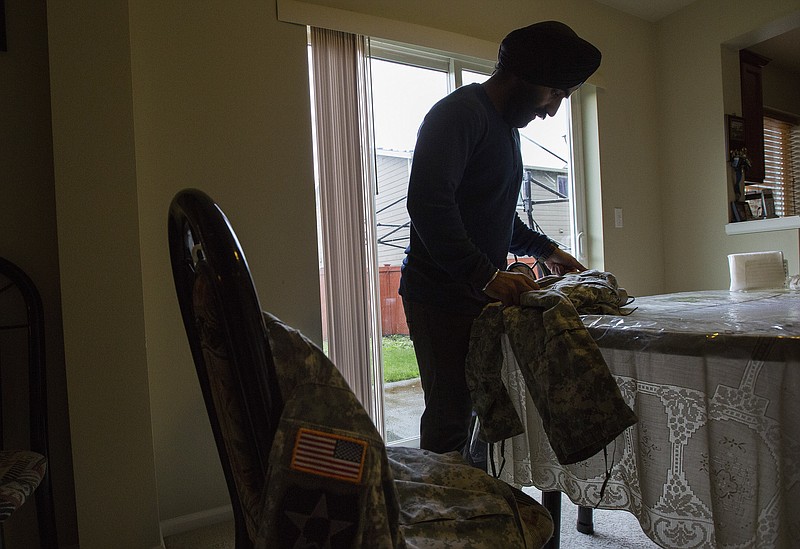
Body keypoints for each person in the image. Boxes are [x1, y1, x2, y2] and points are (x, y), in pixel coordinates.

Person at [399, 21, 602, 459]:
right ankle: (444, 514)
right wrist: (485, 275)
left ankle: (476, 503)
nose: (551, 110)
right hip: (440, 298)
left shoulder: (505, 129)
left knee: (479, 411)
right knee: (450, 415)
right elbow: (430, 205)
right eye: (554, 94)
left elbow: (495, 215)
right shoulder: (458, 115)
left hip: (475, 294)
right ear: (523, 77)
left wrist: (548, 251)